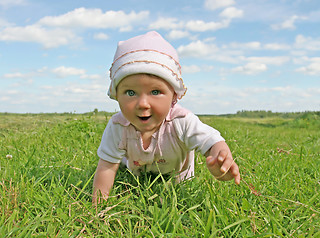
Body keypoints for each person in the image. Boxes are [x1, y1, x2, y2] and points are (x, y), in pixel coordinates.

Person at [93, 31, 240, 203]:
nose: (143, 104)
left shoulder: (181, 121)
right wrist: (97, 209)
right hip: (137, 176)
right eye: (130, 92)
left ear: (174, 95)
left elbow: (210, 141)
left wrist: (220, 159)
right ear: (116, 94)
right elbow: (107, 166)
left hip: (178, 180)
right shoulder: (118, 126)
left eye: (155, 92)